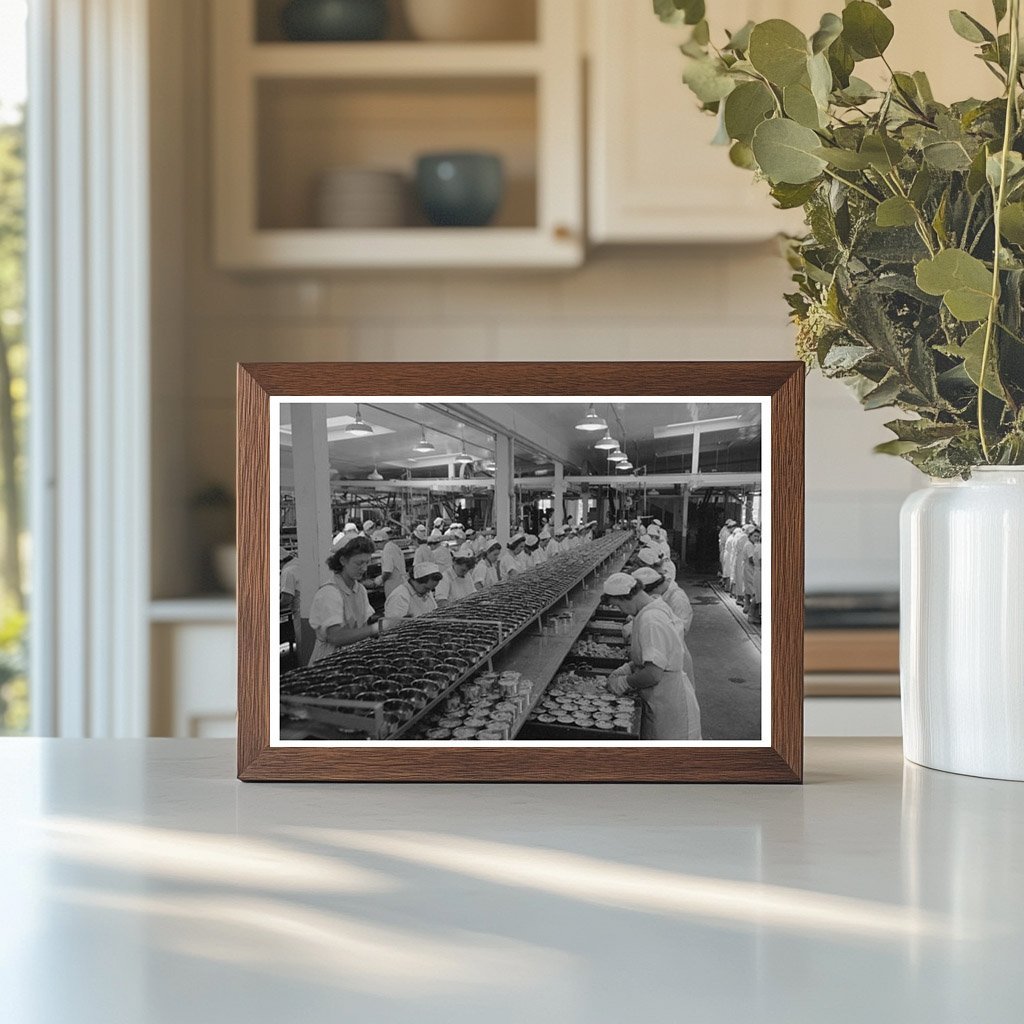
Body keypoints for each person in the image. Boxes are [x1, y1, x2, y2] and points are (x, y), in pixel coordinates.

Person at [601, 572, 701, 740]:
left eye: (618, 606)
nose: (620, 611)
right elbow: (657, 655)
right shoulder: (654, 606)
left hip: (668, 702)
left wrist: (624, 682)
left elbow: (653, 674)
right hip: (665, 697)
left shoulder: (651, 620)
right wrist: (630, 667)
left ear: (627, 597)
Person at [307, 534, 382, 664]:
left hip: (352, 657)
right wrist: (376, 628)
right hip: (329, 662)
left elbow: (363, 625)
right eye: (359, 563)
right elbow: (336, 636)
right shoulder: (329, 593)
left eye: (367, 562)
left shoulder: (360, 590)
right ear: (342, 561)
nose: (364, 569)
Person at [631, 565, 696, 690]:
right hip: (665, 666)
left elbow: (680, 631)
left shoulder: (677, 598)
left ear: (652, 589)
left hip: (671, 671)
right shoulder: (660, 598)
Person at [379, 528, 409, 598]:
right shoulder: (394, 546)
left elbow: (388, 571)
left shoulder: (387, 549)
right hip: (400, 583)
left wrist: (379, 581)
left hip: (393, 585)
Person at [745, 527, 762, 624]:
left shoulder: (757, 546)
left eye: (757, 536)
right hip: (759, 572)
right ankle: (751, 615)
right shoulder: (759, 547)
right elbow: (761, 561)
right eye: (754, 536)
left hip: (757, 571)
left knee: (757, 594)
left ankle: (755, 615)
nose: (756, 538)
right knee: (758, 595)